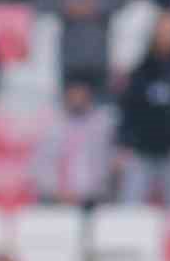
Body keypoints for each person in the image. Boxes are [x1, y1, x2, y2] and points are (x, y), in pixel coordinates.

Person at [117, 11, 170, 206]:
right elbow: (129, 109)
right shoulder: (141, 70)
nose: (166, 35)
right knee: (130, 208)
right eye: (162, 30)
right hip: (142, 151)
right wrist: (123, 144)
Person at [30, 77, 116, 208]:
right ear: (65, 98)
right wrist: (57, 192)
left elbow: (107, 163)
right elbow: (41, 165)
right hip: (55, 198)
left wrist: (88, 193)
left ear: (89, 99)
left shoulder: (103, 126)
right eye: (73, 97)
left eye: (81, 97)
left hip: (93, 199)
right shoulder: (51, 126)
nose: (77, 101)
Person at [46, 0, 127, 87]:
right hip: (69, 58)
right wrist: (66, 6)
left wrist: (96, 5)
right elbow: (43, 1)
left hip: (101, 57)